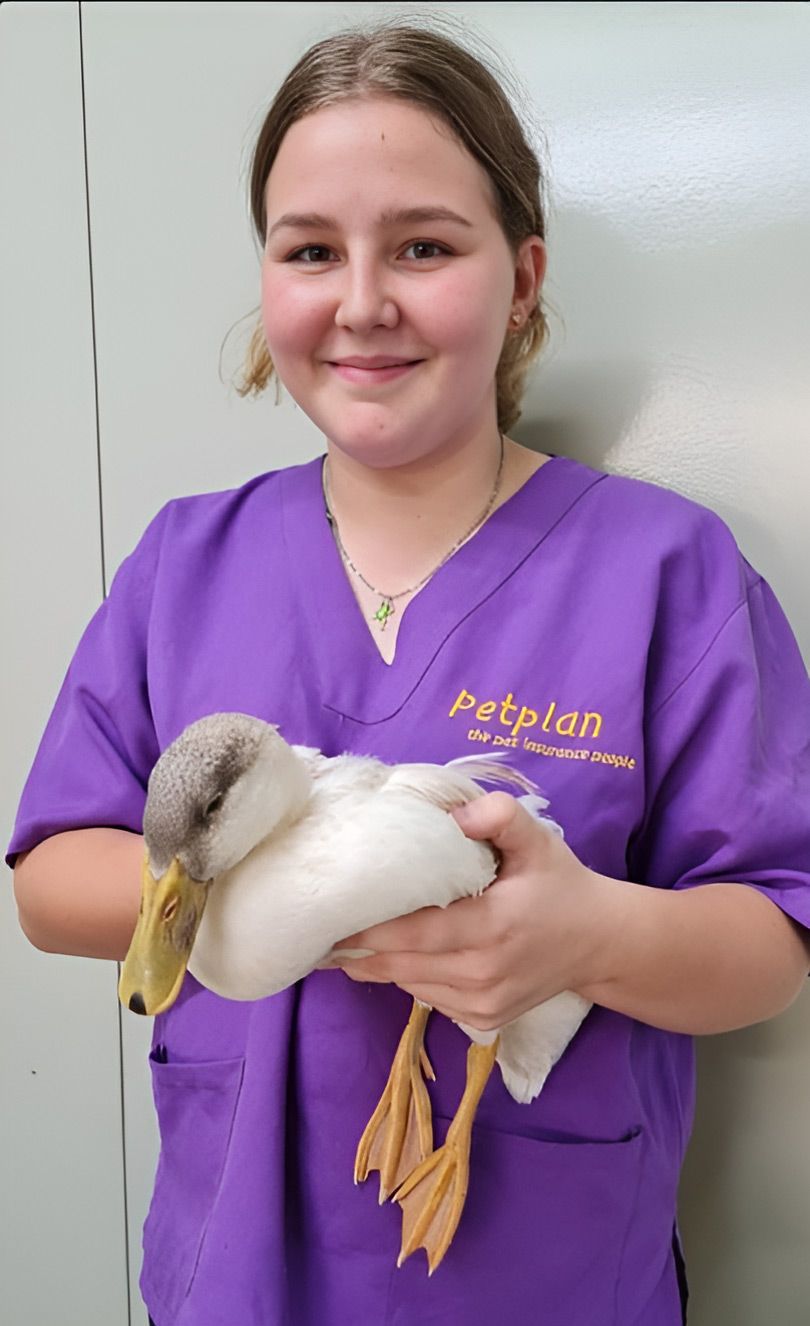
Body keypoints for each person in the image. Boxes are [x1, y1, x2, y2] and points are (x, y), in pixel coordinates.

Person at [9, 18, 810, 1326]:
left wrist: (586, 932)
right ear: (266, 275)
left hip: (548, 1278)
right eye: (310, 248)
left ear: (522, 275)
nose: (361, 299)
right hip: (229, 1278)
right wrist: (299, 886)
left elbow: (772, 936)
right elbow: (52, 881)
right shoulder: (183, 562)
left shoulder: (667, 571)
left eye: (423, 246)